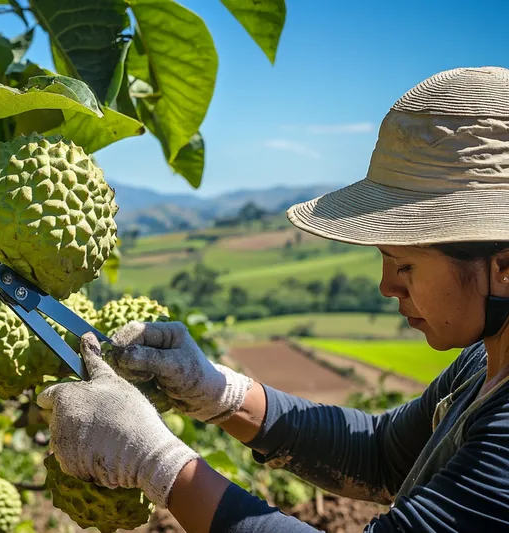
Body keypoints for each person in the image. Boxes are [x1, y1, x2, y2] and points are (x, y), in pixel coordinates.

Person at [36, 66, 509, 533]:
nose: (388, 286)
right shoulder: (480, 365)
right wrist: (218, 392)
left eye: (406, 265)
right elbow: (382, 456)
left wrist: (158, 463)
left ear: (503, 266)